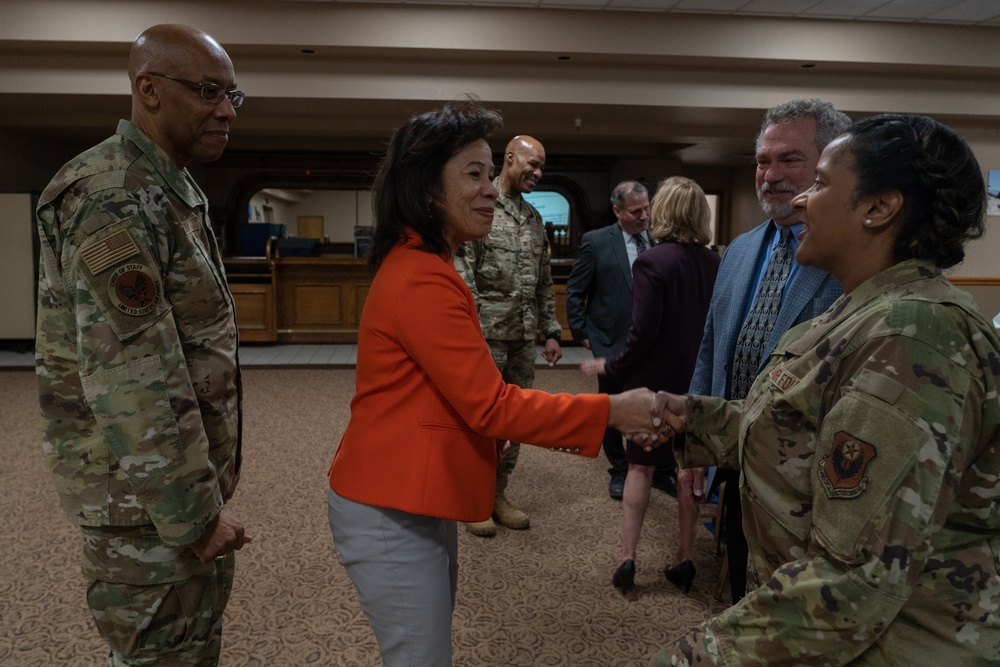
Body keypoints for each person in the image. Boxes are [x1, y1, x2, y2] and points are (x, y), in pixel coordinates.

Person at [652, 113, 1000, 665]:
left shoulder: (913, 339)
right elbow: (802, 425)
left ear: (879, 208)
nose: (800, 202)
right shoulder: (860, 311)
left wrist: (688, 659)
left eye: (820, 184)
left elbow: (852, 584)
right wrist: (686, 417)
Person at [324, 99, 663, 667]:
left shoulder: (425, 261)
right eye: (473, 175)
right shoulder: (424, 277)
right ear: (427, 188)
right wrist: (611, 411)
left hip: (413, 491)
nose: (489, 190)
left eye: (490, 174)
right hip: (388, 501)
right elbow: (491, 405)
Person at [34, 24, 250, 666]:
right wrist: (194, 517)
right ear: (148, 90)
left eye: (235, 95)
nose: (226, 110)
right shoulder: (114, 196)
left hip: (162, 496)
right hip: (144, 507)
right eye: (209, 91)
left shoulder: (165, 185)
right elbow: (135, 377)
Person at [690, 98, 848, 603]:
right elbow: (711, 349)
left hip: (810, 490)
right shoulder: (737, 251)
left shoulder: (852, 255)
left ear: (827, 166)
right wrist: (697, 439)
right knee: (742, 593)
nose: (771, 175)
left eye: (790, 160)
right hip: (737, 468)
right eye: (762, 160)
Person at [581, 176, 719, 595]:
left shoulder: (653, 261)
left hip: (653, 384)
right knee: (686, 471)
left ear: (664, 212)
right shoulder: (716, 262)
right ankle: (684, 558)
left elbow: (641, 335)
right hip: (696, 381)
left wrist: (612, 365)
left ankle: (628, 558)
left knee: (639, 467)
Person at [454, 134, 561, 537]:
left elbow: (544, 281)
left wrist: (550, 330)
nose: (537, 173)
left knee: (515, 422)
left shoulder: (533, 219)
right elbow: (464, 278)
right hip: (486, 338)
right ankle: (473, 497)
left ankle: (498, 494)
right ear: (510, 159)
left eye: (542, 168)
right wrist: (471, 334)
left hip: (521, 339)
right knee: (480, 421)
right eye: (532, 165)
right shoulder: (481, 206)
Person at [567, 180, 674, 500]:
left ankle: (660, 469)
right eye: (635, 211)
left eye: (647, 209)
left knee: (656, 402)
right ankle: (620, 469)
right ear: (617, 211)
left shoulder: (660, 239)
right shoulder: (597, 242)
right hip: (610, 339)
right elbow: (575, 292)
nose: (644, 216)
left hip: (652, 340)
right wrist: (584, 335)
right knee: (614, 404)